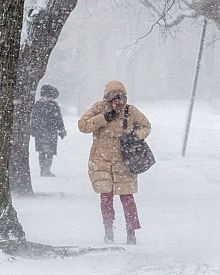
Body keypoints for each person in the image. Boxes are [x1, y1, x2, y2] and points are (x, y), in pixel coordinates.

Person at [78, 80, 151, 245]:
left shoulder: (130, 111)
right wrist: (103, 118)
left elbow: (147, 126)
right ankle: (108, 230)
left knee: (127, 198)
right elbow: (82, 126)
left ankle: (131, 232)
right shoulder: (98, 109)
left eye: (119, 97)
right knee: (106, 197)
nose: (116, 101)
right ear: (106, 98)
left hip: (124, 162)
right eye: (112, 98)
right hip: (100, 161)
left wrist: (135, 135)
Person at [31, 84, 66, 177]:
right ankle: (46, 170)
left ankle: (43, 169)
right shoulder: (53, 105)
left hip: (40, 132)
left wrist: (33, 129)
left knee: (41, 151)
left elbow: (33, 119)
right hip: (51, 132)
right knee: (49, 152)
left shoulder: (37, 105)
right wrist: (62, 130)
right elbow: (59, 119)